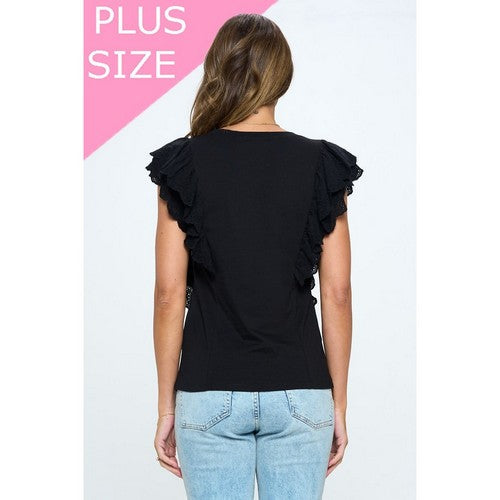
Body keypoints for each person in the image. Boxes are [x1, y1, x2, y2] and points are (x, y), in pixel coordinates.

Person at [145, 13, 363, 500]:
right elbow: (338, 293)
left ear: (218, 70)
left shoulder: (184, 164)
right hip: (301, 391)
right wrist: (338, 404)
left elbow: (168, 295)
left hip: (208, 390)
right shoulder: (321, 165)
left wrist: (166, 406)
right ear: (282, 75)